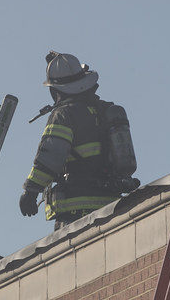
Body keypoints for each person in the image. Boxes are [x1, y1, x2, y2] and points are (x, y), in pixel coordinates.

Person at [19, 51, 138, 229]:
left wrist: (30, 191)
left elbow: (51, 157)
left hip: (76, 210)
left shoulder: (63, 115)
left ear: (54, 90)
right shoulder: (107, 111)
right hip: (112, 205)